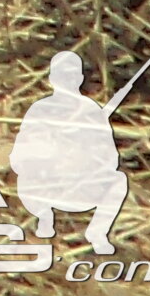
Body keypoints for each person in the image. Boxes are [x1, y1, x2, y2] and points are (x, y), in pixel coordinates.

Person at [11, 51, 129, 254]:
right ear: (51, 79)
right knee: (24, 179)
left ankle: (97, 232)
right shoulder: (40, 109)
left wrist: (85, 157)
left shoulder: (91, 111)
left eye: (72, 75)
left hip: (82, 187)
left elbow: (111, 158)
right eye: (61, 75)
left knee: (119, 180)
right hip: (46, 186)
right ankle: (44, 218)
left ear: (80, 78)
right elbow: (19, 156)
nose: (67, 81)